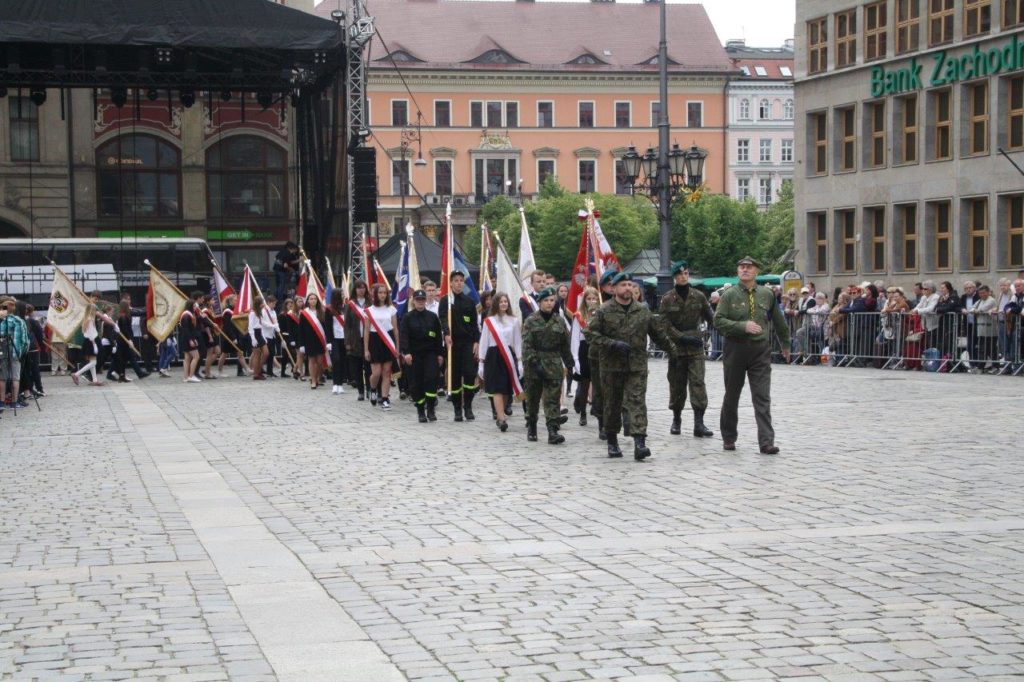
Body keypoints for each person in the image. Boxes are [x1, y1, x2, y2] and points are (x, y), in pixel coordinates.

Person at [587, 272, 678, 461]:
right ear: (614, 289)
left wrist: (673, 352)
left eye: (630, 284)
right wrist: (611, 343)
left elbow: (658, 334)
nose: (627, 288)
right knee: (612, 404)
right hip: (611, 366)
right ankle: (612, 441)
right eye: (623, 285)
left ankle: (640, 443)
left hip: (636, 365)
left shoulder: (642, 310)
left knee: (637, 402)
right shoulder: (604, 311)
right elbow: (590, 334)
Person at [713, 256, 790, 455]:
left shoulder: (767, 294)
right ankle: (729, 437)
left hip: (760, 351)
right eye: (741, 267)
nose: (745, 270)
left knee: (762, 396)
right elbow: (718, 321)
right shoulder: (729, 295)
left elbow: (779, 320)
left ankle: (766, 442)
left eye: (749, 267)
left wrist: (786, 344)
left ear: (756, 271)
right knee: (732, 396)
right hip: (735, 349)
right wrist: (741, 326)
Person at [658, 260, 715, 439]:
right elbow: (664, 323)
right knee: (677, 385)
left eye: (686, 274)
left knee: (698, 384)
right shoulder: (668, 298)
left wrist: (725, 328)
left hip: (696, 348)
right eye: (679, 274)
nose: (683, 277)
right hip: (677, 348)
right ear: (675, 277)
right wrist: (682, 337)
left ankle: (699, 423)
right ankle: (676, 419)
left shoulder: (698, 296)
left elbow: (711, 317)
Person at [522, 287, 573, 444]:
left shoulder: (559, 320)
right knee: (533, 398)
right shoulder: (531, 320)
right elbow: (527, 345)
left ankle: (553, 430)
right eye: (546, 300)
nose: (549, 303)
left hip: (554, 362)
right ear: (540, 302)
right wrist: (534, 363)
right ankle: (532, 426)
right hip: (535, 363)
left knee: (553, 398)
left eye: (552, 300)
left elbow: (565, 344)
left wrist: (570, 362)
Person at [478, 292, 523, 433]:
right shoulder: (489, 321)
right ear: (496, 303)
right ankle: (502, 418)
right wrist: (481, 362)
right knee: (497, 388)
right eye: (501, 301)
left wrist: (521, 361)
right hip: (493, 356)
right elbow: (484, 341)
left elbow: (517, 342)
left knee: (506, 389)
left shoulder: (514, 321)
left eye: (506, 301)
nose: (504, 304)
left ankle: (500, 414)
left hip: (508, 356)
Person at [438, 271, 480, 421]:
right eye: (456, 280)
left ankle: (467, 406)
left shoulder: (469, 302)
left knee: (469, 374)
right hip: (453, 344)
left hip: (467, 343)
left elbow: (475, 324)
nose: (459, 283)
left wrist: (476, 341)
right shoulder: (446, 301)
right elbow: (443, 319)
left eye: (461, 280)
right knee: (455, 378)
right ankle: (457, 409)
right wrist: (447, 333)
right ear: (450, 283)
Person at [400, 289, 444, 422]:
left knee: (431, 380)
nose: (420, 302)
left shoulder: (432, 317)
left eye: (422, 300)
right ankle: (420, 411)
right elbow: (404, 337)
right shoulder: (407, 317)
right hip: (414, 355)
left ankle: (430, 409)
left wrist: (440, 354)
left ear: (425, 301)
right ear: (413, 301)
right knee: (416, 384)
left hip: (430, 354)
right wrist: (406, 353)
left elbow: (438, 337)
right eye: (418, 300)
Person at [586, 269, 618, 439]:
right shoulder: (596, 306)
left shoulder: (623, 303)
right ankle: (602, 423)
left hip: (618, 355)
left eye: (615, 284)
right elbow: (590, 331)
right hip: (598, 354)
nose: (612, 288)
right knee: (600, 390)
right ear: (603, 287)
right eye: (609, 285)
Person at [363, 283, 399, 409]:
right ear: (375, 294)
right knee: (376, 373)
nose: (383, 295)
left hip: (388, 340)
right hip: (374, 340)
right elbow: (366, 330)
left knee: (387, 372)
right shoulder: (369, 311)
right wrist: (366, 349)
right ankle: (372, 389)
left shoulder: (391, 309)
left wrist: (397, 347)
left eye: (385, 293)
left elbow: (395, 329)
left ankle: (385, 398)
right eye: (380, 292)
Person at [571, 287, 600, 426]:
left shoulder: (601, 314)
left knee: (598, 382)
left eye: (594, 298)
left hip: (598, 349)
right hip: (584, 349)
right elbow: (575, 339)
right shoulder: (579, 315)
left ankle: (596, 407)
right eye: (589, 299)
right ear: (584, 300)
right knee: (585, 383)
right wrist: (575, 359)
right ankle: (583, 412)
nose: (592, 301)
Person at [298, 291, 330, 390]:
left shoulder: (322, 311)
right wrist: (301, 344)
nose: (313, 300)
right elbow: (301, 329)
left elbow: (326, 327)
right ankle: (313, 380)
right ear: (307, 301)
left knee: (320, 362)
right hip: (309, 340)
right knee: (312, 360)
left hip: (320, 339)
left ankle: (318, 378)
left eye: (315, 299)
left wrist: (328, 341)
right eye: (311, 299)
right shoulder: (304, 313)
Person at [344, 279, 371, 400]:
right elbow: (347, 325)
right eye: (359, 287)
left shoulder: (371, 303)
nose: (361, 290)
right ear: (355, 289)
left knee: (369, 367)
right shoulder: (350, 305)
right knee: (357, 367)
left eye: (363, 287)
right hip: (355, 339)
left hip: (369, 339)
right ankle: (361, 391)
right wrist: (348, 342)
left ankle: (370, 389)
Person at [0, 299, 29, 407]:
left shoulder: (1, 321)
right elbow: (25, 340)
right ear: (14, 309)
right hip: (16, 353)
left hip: (2, 352)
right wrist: (22, 352)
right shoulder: (19, 321)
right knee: (15, 377)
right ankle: (14, 401)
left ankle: (1, 402)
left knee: (2, 378)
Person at [71, 302, 103, 387]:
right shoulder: (90, 319)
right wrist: (94, 343)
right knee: (93, 362)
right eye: (94, 310)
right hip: (92, 340)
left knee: (93, 361)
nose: (95, 311)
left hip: (89, 341)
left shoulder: (86, 319)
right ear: (91, 310)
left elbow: (86, 332)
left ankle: (95, 380)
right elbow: (91, 332)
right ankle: (76, 374)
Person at [179, 293, 202, 383]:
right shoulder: (187, 315)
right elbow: (187, 329)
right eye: (194, 306)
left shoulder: (186, 314)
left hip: (185, 339)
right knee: (196, 356)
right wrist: (191, 340)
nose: (195, 307)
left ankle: (186, 377)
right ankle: (191, 375)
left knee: (187, 358)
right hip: (187, 339)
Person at [327, 289, 348, 394]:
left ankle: (340, 384)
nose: (344, 295)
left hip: (345, 338)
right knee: (336, 360)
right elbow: (327, 327)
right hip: (334, 339)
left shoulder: (346, 308)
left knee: (343, 361)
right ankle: (335, 384)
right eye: (342, 294)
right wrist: (328, 342)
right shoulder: (329, 309)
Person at [248, 295, 271, 381]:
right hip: (254, 333)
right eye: (262, 303)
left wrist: (272, 326)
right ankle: (256, 374)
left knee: (266, 353)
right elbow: (250, 326)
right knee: (256, 355)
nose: (263, 305)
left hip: (259, 333)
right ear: (258, 304)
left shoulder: (260, 312)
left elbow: (262, 323)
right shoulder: (252, 313)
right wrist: (253, 338)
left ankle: (258, 369)